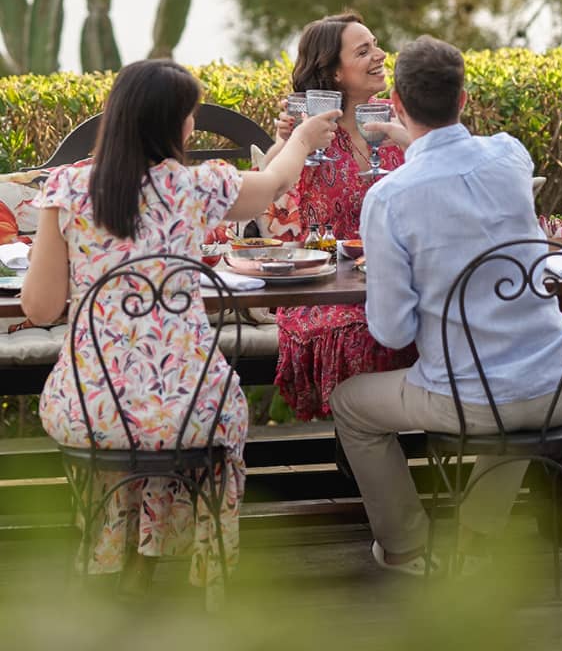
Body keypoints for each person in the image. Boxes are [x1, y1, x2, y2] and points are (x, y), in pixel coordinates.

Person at [21, 59, 338, 590]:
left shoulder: (69, 188)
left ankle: (115, 555)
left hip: (93, 407)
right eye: (190, 115)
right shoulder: (197, 187)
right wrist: (304, 137)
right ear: (175, 123)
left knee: (132, 428)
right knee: (186, 415)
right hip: (194, 408)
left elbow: (39, 309)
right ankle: (158, 557)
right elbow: (274, 184)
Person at [330, 35, 562, 575]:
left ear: (395, 101)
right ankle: (474, 541)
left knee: (351, 405)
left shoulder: (390, 197)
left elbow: (393, 333)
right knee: (506, 389)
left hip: (479, 401)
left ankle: (405, 546)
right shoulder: (511, 155)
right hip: (561, 382)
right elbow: (464, 170)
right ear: (463, 99)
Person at [264, 12, 415, 419]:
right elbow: (272, 210)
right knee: (360, 334)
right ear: (332, 74)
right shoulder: (309, 135)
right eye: (363, 51)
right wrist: (286, 142)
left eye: (376, 45)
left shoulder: (397, 119)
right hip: (324, 288)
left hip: (395, 279)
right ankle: (363, 451)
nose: (380, 56)